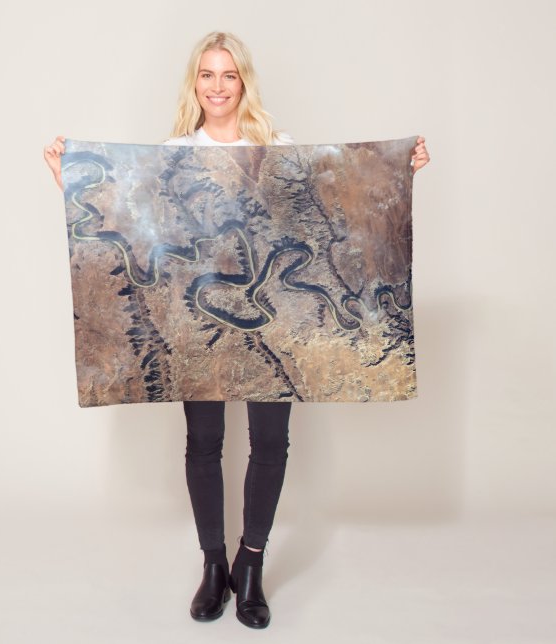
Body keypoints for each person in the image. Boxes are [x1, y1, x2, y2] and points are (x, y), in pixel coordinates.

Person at [43, 30, 430, 630]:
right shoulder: (174, 151)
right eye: (207, 75)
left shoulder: (277, 148)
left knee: (270, 444)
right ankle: (213, 564)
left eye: (229, 75)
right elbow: (133, 223)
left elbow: (336, 213)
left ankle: (251, 565)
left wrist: (398, 173)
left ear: (244, 82)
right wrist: (67, 177)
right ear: (194, 83)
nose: (218, 86)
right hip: (197, 323)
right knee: (203, 442)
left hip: (277, 320)